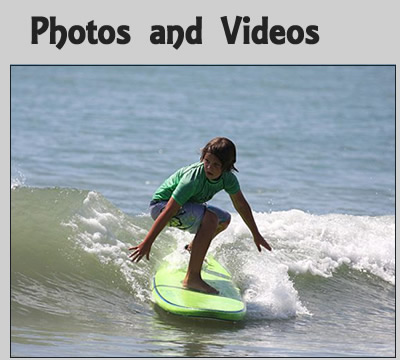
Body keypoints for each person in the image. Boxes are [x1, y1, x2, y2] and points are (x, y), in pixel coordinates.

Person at [129, 137, 272, 294]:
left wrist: (256, 234)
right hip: (161, 207)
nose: (209, 167)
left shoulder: (228, 179)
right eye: (207, 161)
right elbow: (169, 210)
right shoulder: (193, 178)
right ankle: (192, 278)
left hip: (184, 208)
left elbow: (241, 205)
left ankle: (193, 248)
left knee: (224, 220)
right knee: (211, 218)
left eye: (216, 165)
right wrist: (147, 242)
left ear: (226, 167)